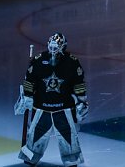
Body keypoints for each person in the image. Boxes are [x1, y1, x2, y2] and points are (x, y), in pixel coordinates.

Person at [14, 33, 88, 166]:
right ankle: (31, 156)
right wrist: (26, 96)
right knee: (36, 134)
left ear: (63, 47)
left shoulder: (71, 62)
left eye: (57, 47)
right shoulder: (38, 60)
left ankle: (71, 159)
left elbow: (78, 83)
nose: (53, 50)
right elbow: (30, 81)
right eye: (51, 47)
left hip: (64, 108)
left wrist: (81, 101)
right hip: (42, 107)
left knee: (67, 136)